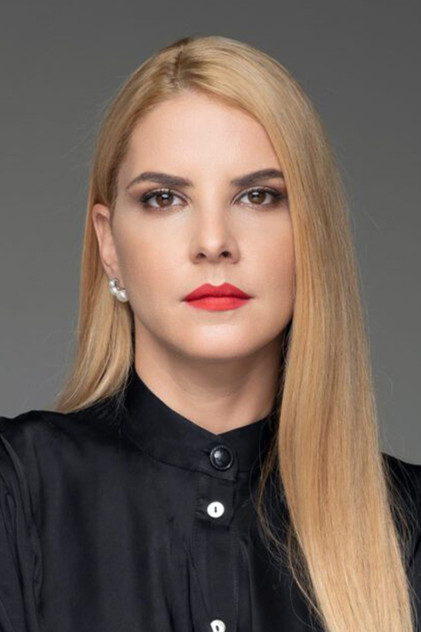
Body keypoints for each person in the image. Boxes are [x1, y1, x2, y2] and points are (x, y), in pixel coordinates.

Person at [0, 34, 420, 632]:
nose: (214, 241)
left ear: (313, 233)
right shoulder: (15, 489)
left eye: (258, 196)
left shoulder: (406, 523)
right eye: (165, 198)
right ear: (109, 245)